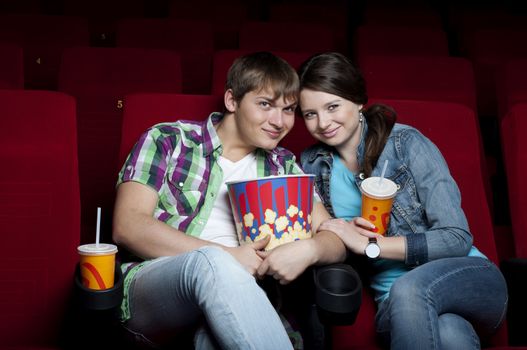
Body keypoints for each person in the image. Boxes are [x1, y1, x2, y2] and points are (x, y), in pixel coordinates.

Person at [112, 51, 347, 349]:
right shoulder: (169, 140)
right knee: (213, 263)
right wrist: (229, 256)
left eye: (288, 109)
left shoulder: (283, 166)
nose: (279, 121)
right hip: (154, 292)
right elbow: (128, 224)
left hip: (238, 299)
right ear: (232, 101)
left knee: (213, 335)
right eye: (265, 105)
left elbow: (335, 239)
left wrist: (310, 249)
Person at [297, 52, 508, 349]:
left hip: (468, 278)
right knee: (449, 333)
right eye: (310, 114)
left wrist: (372, 246)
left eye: (333, 107)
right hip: (393, 306)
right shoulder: (311, 165)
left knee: (409, 289)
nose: (323, 122)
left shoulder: (406, 144)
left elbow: (457, 237)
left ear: (358, 101)